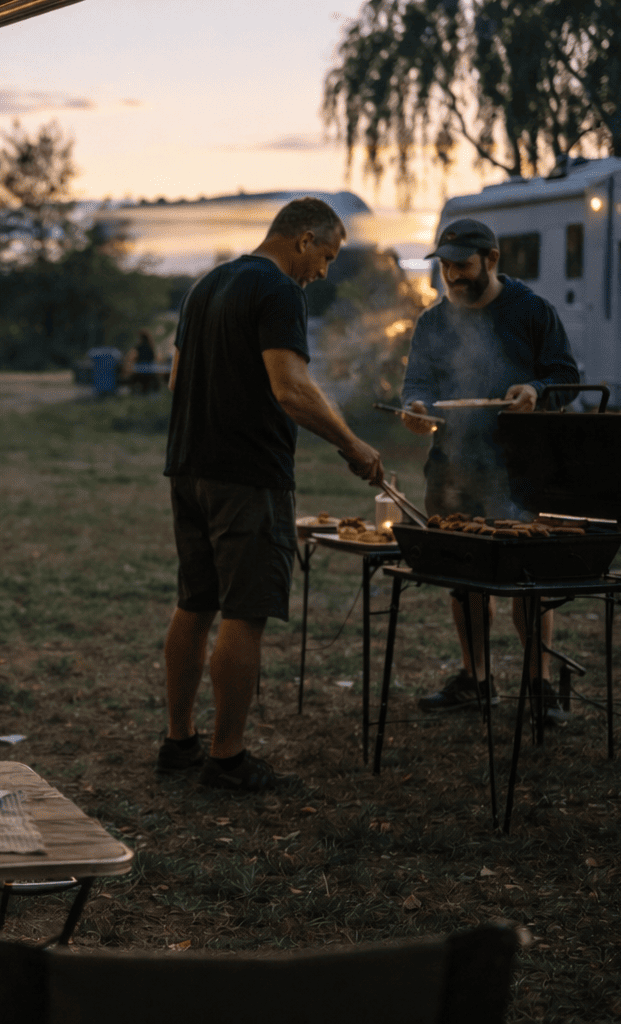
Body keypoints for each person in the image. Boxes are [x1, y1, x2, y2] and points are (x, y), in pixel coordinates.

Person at [157, 197, 384, 792]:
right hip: (246, 475)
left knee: (195, 602)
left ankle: (178, 741)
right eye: (327, 256)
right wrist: (353, 446)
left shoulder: (206, 286)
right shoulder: (280, 291)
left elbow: (178, 381)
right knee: (244, 611)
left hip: (188, 468)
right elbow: (291, 389)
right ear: (303, 240)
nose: (324, 271)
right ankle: (227, 759)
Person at [399, 217, 580, 718]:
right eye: (446, 267)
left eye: (462, 265)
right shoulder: (433, 323)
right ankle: (476, 678)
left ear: (492, 260)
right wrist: (416, 410)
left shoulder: (530, 311)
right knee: (466, 574)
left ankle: (539, 683)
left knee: (528, 573)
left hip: (525, 466)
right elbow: (417, 386)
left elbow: (565, 377)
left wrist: (536, 391)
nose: (452, 276)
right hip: (453, 465)